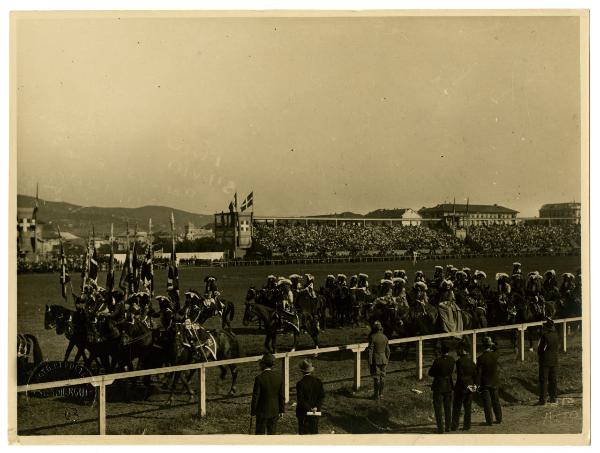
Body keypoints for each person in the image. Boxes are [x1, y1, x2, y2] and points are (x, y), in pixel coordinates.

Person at [251, 353, 285, 435]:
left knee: (260, 435)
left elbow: (256, 397)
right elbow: (281, 396)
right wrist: (282, 410)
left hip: (261, 412)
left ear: (263, 364)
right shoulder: (279, 377)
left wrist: (253, 412)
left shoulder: (259, 378)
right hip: (274, 410)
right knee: (272, 434)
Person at [428, 342, 454, 433]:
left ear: (441, 351)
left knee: (438, 407)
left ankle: (440, 428)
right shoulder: (452, 360)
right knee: (448, 407)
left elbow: (430, 373)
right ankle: (448, 427)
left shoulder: (437, 361)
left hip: (438, 385)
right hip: (448, 385)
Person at [451, 342, 477, 431]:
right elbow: (475, 375)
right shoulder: (472, 362)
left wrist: (466, 385)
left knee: (457, 407)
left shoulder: (459, 362)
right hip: (470, 387)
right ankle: (467, 425)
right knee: (468, 407)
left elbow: (461, 376)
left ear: (462, 350)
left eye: (459, 349)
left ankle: (454, 425)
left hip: (461, 387)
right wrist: (474, 385)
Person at [477, 336, 502, 425]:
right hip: (494, 381)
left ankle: (489, 420)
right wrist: (493, 344)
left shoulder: (480, 358)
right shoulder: (495, 355)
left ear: (483, 346)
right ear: (490, 345)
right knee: (496, 400)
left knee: (487, 402)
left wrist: (477, 384)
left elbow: (479, 373)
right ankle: (499, 418)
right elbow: (498, 349)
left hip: (485, 382)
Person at [295, 359, 325, 434]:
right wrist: (316, 407)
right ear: (311, 370)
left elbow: (300, 399)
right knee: (314, 432)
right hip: (315, 412)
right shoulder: (318, 381)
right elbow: (321, 396)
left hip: (303, 413)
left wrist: (309, 408)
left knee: (303, 434)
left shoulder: (300, 383)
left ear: (302, 371)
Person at [537, 318, 559, 405]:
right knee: (553, 380)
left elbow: (540, 349)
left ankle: (542, 399)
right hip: (554, 360)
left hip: (545, 361)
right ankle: (553, 397)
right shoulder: (556, 335)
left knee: (543, 380)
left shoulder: (545, 336)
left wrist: (541, 355)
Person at [367, 320, 390, 400]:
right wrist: (387, 359)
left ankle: (376, 395)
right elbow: (388, 351)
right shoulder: (385, 337)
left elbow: (370, 350)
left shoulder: (372, 337)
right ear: (380, 329)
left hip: (375, 359)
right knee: (382, 377)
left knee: (376, 378)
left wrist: (369, 361)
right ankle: (381, 394)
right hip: (384, 359)